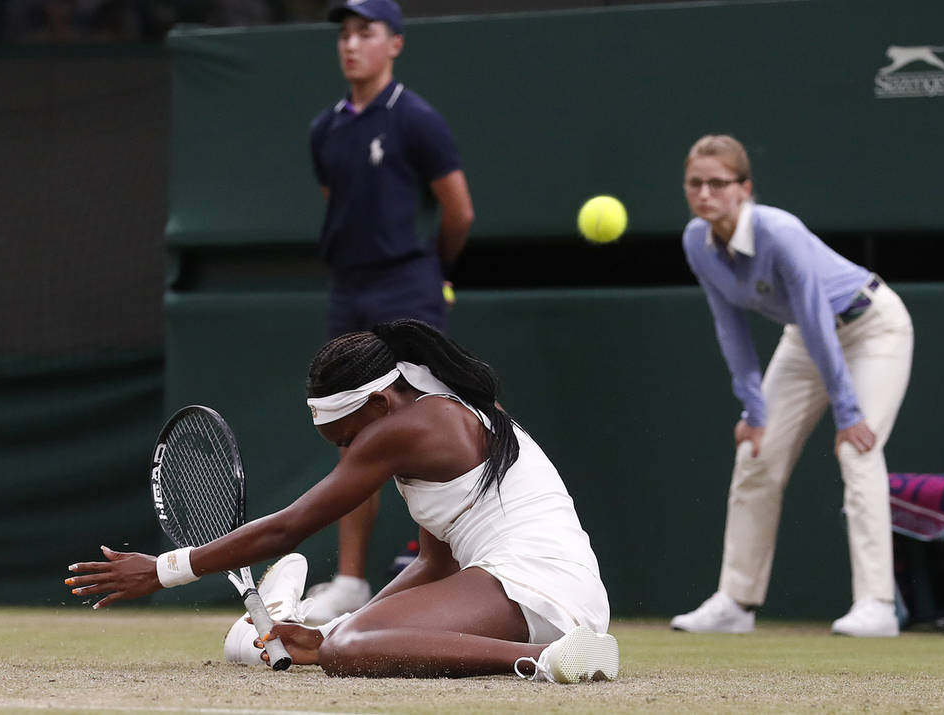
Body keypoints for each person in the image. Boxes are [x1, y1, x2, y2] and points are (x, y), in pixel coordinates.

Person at [66, 319, 618, 683]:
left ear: (380, 403)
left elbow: (288, 528)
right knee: (339, 639)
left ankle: (545, 662)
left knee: (343, 652)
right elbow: (435, 562)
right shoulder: (442, 413)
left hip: (533, 590)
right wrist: (359, 622)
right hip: (556, 598)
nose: (352, 454)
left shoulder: (417, 426)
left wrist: (164, 570)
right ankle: (553, 652)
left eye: (350, 439)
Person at [670, 134, 914, 637]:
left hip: (873, 326)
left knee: (858, 451)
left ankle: (878, 606)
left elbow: (815, 316)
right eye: (696, 184)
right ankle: (736, 602)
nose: (705, 193)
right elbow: (729, 325)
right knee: (755, 455)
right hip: (808, 339)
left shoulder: (779, 232)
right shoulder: (697, 241)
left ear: (744, 188)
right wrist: (754, 410)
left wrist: (848, 412)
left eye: (718, 183)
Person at [303, 0, 475, 621]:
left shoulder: (417, 120)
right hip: (349, 289)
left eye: (365, 33)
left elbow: (458, 211)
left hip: (410, 287)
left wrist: (437, 272)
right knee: (354, 430)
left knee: (433, 419)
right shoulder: (325, 130)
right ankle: (350, 581)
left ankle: (438, 561)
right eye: (345, 35)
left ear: (394, 44)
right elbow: (338, 205)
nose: (351, 45)